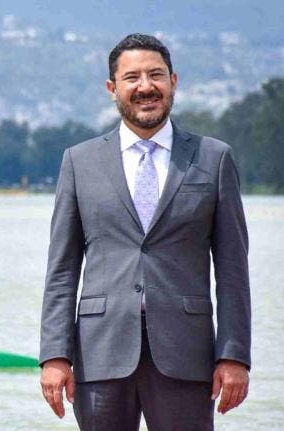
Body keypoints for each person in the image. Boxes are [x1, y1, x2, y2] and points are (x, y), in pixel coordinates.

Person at [39, 33, 250, 430]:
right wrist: (54, 355)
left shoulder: (213, 158)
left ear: (173, 81)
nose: (145, 87)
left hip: (186, 356)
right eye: (132, 77)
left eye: (156, 75)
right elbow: (62, 271)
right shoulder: (79, 162)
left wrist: (234, 355)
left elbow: (233, 269)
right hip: (99, 355)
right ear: (112, 88)